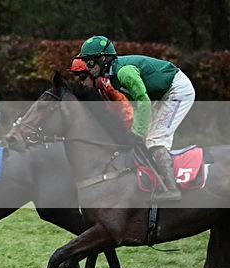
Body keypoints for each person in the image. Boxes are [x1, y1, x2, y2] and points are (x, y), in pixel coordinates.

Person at [74, 35, 195, 201]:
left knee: (155, 140)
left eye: (89, 62)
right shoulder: (113, 76)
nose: (88, 68)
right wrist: (136, 131)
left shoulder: (123, 72)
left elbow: (143, 100)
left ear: (102, 58)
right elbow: (138, 105)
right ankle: (158, 178)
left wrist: (137, 131)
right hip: (163, 94)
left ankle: (172, 189)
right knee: (147, 139)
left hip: (178, 91)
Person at [70, 58, 134, 132]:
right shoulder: (89, 91)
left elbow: (126, 108)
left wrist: (127, 132)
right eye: (77, 79)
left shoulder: (108, 85)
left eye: (83, 77)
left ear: (92, 74)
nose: (81, 83)